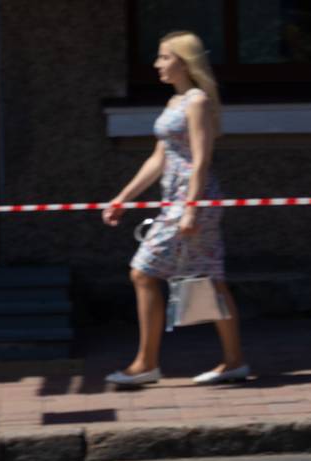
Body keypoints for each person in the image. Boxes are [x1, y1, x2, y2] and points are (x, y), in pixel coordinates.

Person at [101, 30, 248, 387]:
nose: (157, 65)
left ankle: (146, 363)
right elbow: (158, 159)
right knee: (209, 280)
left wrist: (192, 209)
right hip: (177, 202)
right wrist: (123, 198)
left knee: (144, 271)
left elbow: (201, 160)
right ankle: (232, 361)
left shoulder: (196, 101)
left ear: (184, 62)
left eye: (164, 57)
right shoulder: (174, 103)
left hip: (192, 202)